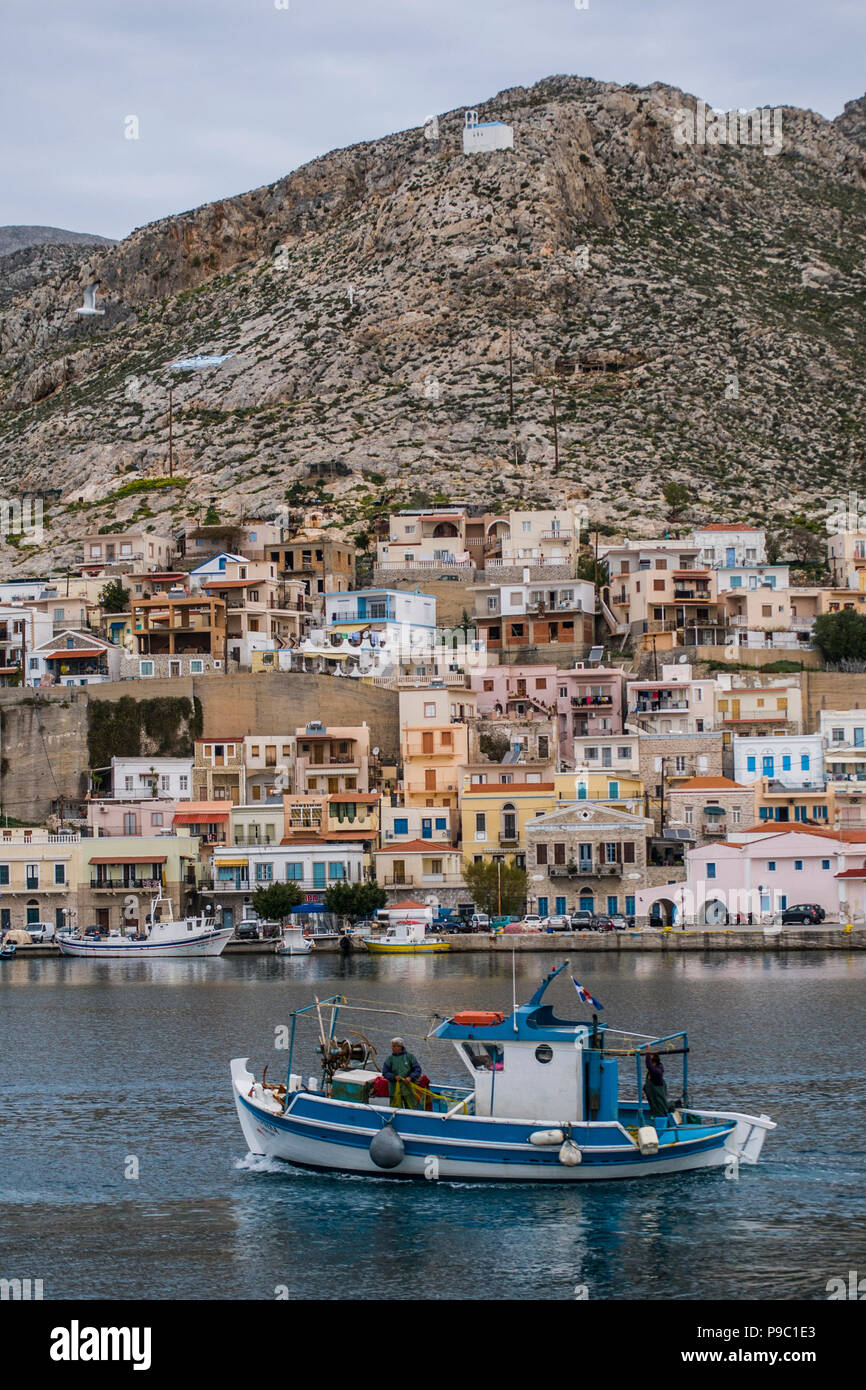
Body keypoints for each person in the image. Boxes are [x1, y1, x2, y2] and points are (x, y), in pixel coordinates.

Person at [382, 1037, 422, 1108]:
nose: (392, 1048)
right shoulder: (389, 1059)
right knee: (394, 1109)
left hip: (408, 1089)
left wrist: (410, 1077)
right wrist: (394, 1077)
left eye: (394, 1046)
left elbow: (417, 1070)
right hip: (394, 1090)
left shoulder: (410, 1057)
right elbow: (385, 1072)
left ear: (400, 1047)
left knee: (411, 1108)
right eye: (392, 1046)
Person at [643, 1051, 671, 1118]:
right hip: (652, 1098)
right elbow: (648, 1082)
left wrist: (647, 1051)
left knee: (660, 1110)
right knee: (654, 1108)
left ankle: (660, 1123)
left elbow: (649, 1066)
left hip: (658, 1099)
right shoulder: (650, 1072)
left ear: (654, 1062)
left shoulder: (657, 1072)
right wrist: (643, 1090)